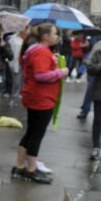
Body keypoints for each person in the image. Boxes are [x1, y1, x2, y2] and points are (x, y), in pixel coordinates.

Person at [12, 23, 68, 183]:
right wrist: (61, 72)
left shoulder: (38, 50)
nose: (58, 36)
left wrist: (53, 62)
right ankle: (31, 170)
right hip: (41, 99)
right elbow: (41, 75)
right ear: (46, 36)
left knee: (31, 132)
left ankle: (19, 166)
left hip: (36, 97)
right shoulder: (42, 52)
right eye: (55, 34)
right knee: (36, 134)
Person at [85, 36, 101, 160]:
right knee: (97, 120)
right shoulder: (100, 50)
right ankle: (96, 146)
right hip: (100, 91)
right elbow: (90, 68)